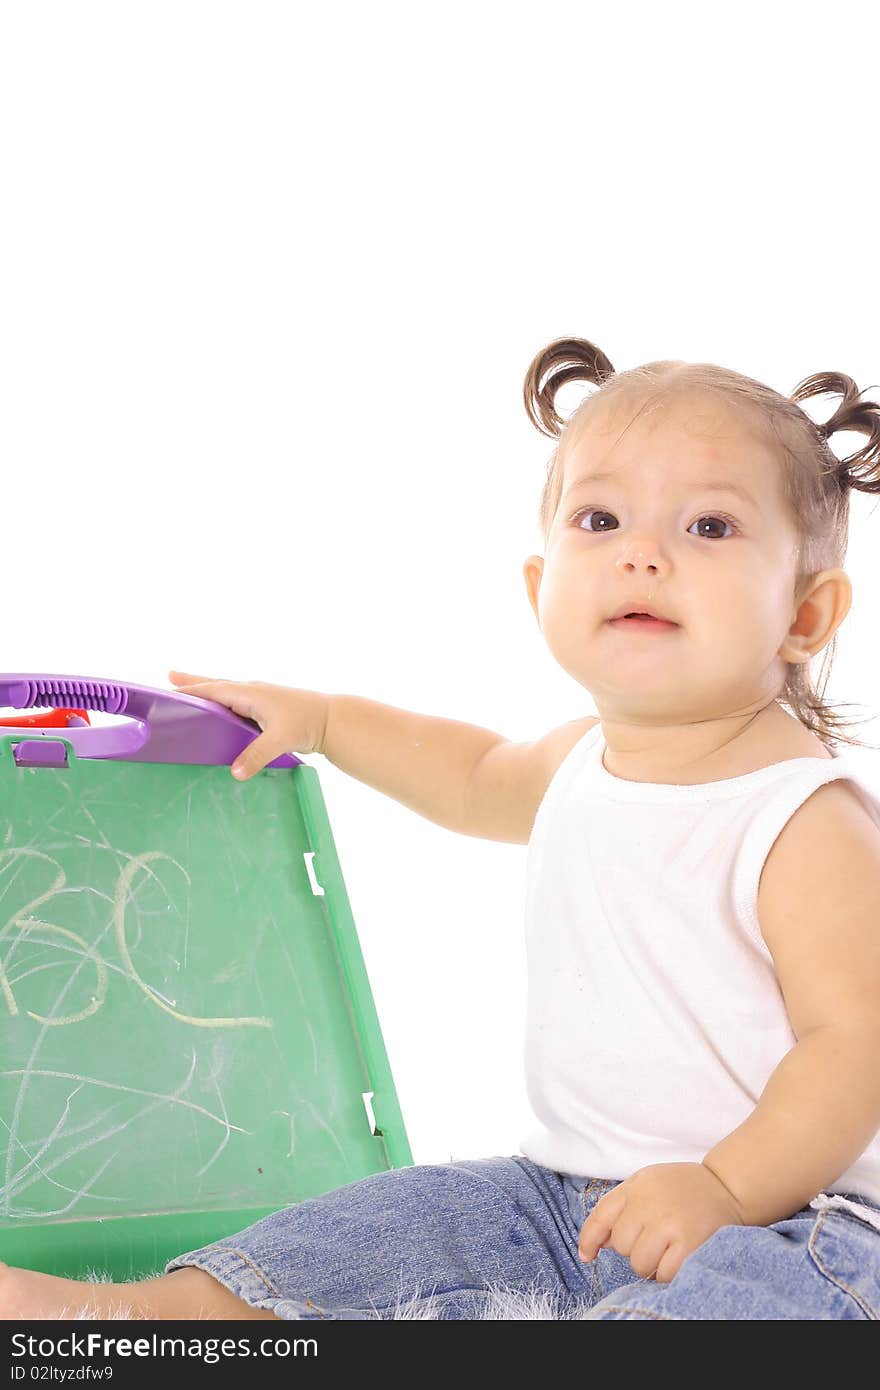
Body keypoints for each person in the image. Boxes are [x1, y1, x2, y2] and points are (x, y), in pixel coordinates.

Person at [4, 335, 880, 1321]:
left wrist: (721, 1188)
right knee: (398, 1221)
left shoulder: (799, 817)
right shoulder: (578, 760)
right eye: (601, 518)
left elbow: (855, 1044)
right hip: (564, 1199)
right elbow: (468, 775)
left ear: (806, 616)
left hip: (789, 1220)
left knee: (748, 1305)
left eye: (709, 525)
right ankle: (152, 1315)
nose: (643, 551)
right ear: (537, 586)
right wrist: (329, 721)